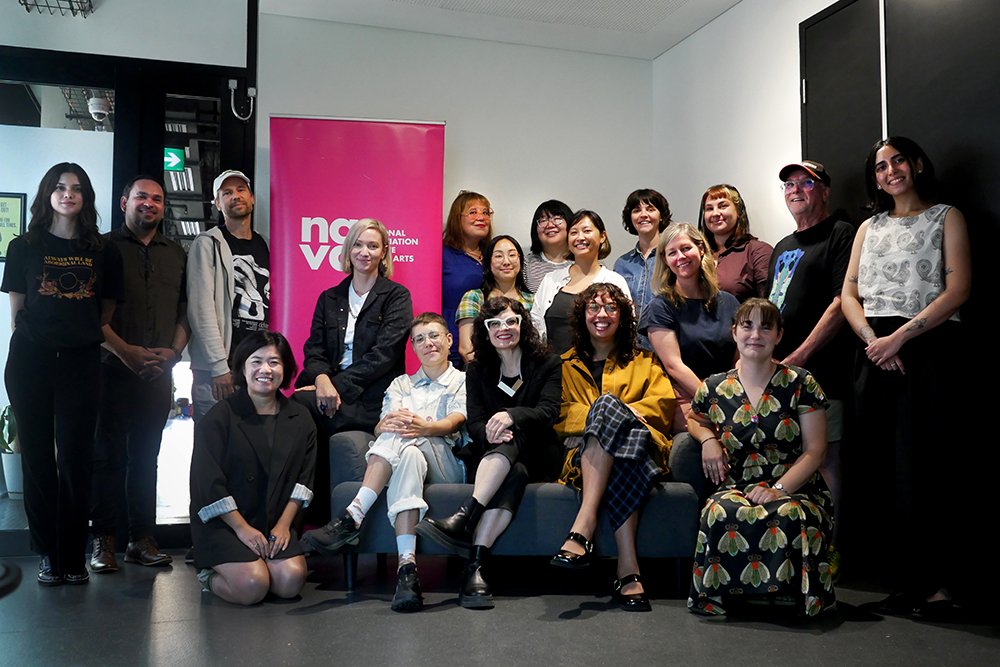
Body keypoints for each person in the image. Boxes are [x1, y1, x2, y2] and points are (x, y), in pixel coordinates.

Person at [841, 137, 971, 618]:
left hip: (929, 350)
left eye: (897, 161)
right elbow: (850, 294)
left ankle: (939, 589)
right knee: (881, 469)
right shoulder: (868, 227)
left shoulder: (946, 216)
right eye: (880, 166)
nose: (890, 171)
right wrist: (874, 341)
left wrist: (900, 340)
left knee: (930, 467)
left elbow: (958, 289)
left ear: (916, 164)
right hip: (873, 352)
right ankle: (904, 583)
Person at [2, 162, 124, 586]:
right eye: (60, 187)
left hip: (81, 361)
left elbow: (104, 312)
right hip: (30, 362)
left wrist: (75, 333)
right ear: (47, 193)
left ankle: (72, 555)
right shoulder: (24, 246)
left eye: (76, 188)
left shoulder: (104, 251)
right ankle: (48, 553)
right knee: (36, 457)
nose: (67, 194)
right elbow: (17, 312)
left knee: (75, 458)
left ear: (86, 196)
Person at [300, 313, 467, 613]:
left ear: (449, 340)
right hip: (407, 460)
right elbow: (380, 427)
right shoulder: (402, 384)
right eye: (419, 339)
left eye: (434, 336)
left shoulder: (462, 381)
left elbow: (455, 422)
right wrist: (387, 426)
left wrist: (423, 427)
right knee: (408, 450)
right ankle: (407, 570)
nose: (428, 343)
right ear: (413, 349)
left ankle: (353, 514)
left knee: (405, 435)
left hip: (447, 465)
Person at [687, 298, 834, 618]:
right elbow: (694, 418)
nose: (756, 334)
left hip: (796, 483)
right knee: (718, 509)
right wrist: (708, 439)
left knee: (790, 513)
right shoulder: (714, 386)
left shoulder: (800, 383)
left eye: (765, 326)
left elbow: (815, 450)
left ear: (779, 335)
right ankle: (721, 598)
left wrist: (778, 489)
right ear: (734, 332)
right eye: (747, 325)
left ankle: (793, 596)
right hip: (737, 482)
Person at [418, 298, 562, 609]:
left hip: (539, 452)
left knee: (515, 440)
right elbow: (475, 423)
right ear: (485, 330)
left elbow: (549, 412)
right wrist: (493, 429)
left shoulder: (547, 362)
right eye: (494, 324)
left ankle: (465, 515)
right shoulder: (478, 368)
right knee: (515, 470)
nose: (503, 329)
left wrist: (511, 415)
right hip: (497, 456)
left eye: (511, 321)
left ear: (523, 324)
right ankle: (477, 564)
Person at [550, 283, 675, 612]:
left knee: (608, 409)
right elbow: (557, 411)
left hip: (644, 444)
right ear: (582, 316)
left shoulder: (645, 361)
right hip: (591, 459)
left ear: (623, 316)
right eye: (593, 308)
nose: (601, 315)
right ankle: (628, 570)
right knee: (617, 441)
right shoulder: (563, 365)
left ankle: (584, 525)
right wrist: (604, 416)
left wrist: (613, 412)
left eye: (610, 308)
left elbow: (662, 405)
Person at [90, 176, 189, 574]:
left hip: (157, 374)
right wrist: (125, 351)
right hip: (109, 369)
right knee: (107, 457)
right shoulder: (101, 249)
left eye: (157, 199)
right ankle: (104, 540)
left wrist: (174, 352)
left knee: (147, 459)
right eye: (142, 197)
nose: (149, 204)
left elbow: (186, 311)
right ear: (124, 202)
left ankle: (141, 539)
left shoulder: (177, 254)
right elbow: (90, 314)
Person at [294, 218, 413, 523]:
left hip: (372, 398)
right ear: (348, 251)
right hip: (331, 391)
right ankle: (306, 518)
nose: (365, 252)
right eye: (358, 245)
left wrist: (335, 387)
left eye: (373, 246)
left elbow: (383, 356)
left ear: (383, 252)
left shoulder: (397, 296)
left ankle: (325, 518)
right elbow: (314, 349)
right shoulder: (329, 298)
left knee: (306, 407)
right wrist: (321, 380)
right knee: (295, 408)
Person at [190, 331, 315, 605]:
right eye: (256, 361)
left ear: (286, 368)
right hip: (226, 524)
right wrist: (242, 529)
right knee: (252, 586)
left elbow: (304, 481)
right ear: (243, 368)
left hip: (274, 522)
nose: (265, 370)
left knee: (290, 582)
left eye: (274, 362)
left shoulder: (301, 418)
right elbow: (207, 483)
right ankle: (207, 576)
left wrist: (283, 526)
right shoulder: (220, 416)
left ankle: (262, 565)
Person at [769, 160, 855, 530]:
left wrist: (800, 355)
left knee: (826, 459)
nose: (796, 190)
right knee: (787, 460)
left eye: (806, 182)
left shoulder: (840, 233)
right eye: (789, 185)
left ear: (825, 190)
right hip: (779, 373)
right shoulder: (782, 246)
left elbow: (843, 302)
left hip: (823, 371)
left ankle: (833, 549)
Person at [188, 169, 270, 421]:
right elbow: (201, 309)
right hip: (219, 370)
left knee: (251, 446)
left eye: (240, 190)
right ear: (217, 203)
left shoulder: (267, 244)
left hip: (257, 366)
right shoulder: (207, 243)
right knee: (214, 448)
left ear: (252, 197)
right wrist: (218, 366)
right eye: (227, 192)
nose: (235, 196)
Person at [640, 223, 739, 432]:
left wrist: (736, 396)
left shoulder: (729, 302)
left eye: (685, 248)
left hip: (732, 393)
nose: (680, 257)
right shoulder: (660, 307)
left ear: (701, 249)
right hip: (688, 397)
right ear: (665, 261)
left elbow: (740, 358)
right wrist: (714, 402)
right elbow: (674, 365)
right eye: (672, 253)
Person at [532, 210, 631, 354]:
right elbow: (535, 324)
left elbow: (627, 326)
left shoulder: (614, 281)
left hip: (599, 370)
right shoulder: (551, 280)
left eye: (587, 231)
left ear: (602, 236)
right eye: (573, 233)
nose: (580, 238)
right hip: (554, 369)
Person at [456, 235, 533, 363]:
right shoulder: (474, 298)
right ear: (488, 262)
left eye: (512, 255)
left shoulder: (533, 299)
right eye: (498, 256)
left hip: (527, 373)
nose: (506, 261)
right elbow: (466, 350)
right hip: (485, 375)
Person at [613, 188, 672, 349]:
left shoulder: (672, 258)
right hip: (628, 348)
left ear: (661, 216)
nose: (643, 215)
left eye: (651, 209)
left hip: (666, 345)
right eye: (637, 210)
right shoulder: (622, 264)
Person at [697, 184, 772, 302]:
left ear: (738, 211)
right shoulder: (697, 253)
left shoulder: (757, 251)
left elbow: (769, 306)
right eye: (709, 208)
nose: (715, 213)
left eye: (723, 206)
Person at [442, 191, 492, 364]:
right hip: (453, 347)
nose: (481, 217)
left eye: (486, 212)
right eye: (473, 212)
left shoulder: (494, 256)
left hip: (492, 345)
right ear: (457, 218)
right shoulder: (442, 254)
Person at [523, 199, 573, 293]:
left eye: (557, 219)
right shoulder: (526, 264)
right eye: (543, 220)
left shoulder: (584, 262)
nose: (550, 225)